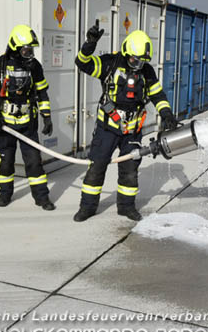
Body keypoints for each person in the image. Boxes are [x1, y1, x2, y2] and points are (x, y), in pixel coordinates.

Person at [73, 21, 180, 222]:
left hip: (132, 131)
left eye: (141, 61)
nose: (137, 64)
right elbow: (83, 64)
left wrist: (166, 114)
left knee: (130, 171)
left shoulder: (146, 72)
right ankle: (87, 208)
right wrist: (89, 44)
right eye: (134, 60)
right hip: (108, 128)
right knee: (97, 167)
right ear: (126, 52)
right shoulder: (110, 63)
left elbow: (157, 95)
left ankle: (126, 207)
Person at [0, 24, 55, 210]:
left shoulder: (34, 66)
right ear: (15, 48)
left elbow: (42, 93)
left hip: (28, 125)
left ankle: (42, 198)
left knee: (34, 163)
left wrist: (46, 116)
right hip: (5, 124)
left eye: (31, 50)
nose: (30, 54)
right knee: (6, 162)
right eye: (26, 50)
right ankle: (5, 195)